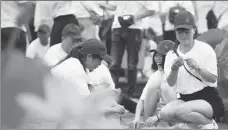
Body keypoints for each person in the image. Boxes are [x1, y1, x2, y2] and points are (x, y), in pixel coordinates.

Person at [147, 11, 225, 129]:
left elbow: (213, 78)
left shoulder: (205, 49)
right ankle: (193, 125)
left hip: (208, 98)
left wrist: (198, 68)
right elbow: (171, 83)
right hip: (184, 98)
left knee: (182, 111)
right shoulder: (171, 54)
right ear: (175, 32)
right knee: (164, 113)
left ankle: (210, 124)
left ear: (194, 30)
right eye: (180, 32)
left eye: (187, 31)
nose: (183, 35)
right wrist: (174, 69)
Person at [51, 39, 125, 114]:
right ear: (89, 57)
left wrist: (112, 101)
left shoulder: (80, 65)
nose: (100, 64)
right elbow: (86, 108)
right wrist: (112, 109)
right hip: (49, 112)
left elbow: (92, 90)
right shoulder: (75, 69)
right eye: (100, 60)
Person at [109, 1, 156, 97]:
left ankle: (130, 95)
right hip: (117, 27)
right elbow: (112, 6)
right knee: (114, 63)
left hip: (135, 28)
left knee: (132, 64)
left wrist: (135, 16)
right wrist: (100, 5)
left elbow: (151, 10)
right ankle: (111, 95)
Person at [132, 40, 177, 129]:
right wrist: (136, 118)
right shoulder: (155, 75)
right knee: (153, 86)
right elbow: (142, 100)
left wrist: (159, 116)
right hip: (156, 117)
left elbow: (179, 104)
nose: (158, 59)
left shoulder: (176, 73)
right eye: (156, 55)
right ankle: (147, 125)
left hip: (174, 115)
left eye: (161, 56)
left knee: (164, 86)